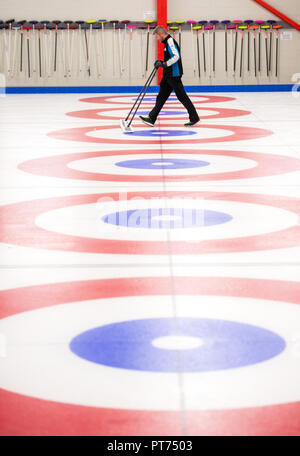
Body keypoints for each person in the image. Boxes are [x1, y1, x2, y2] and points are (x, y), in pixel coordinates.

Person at [139, 25, 200, 127]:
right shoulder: (166, 43)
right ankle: (151, 118)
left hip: (174, 75)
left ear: (161, 34)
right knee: (161, 97)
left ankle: (194, 117)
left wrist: (164, 64)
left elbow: (176, 56)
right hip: (167, 75)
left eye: (157, 37)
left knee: (182, 96)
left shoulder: (170, 41)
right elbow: (170, 58)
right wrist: (161, 62)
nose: (157, 39)